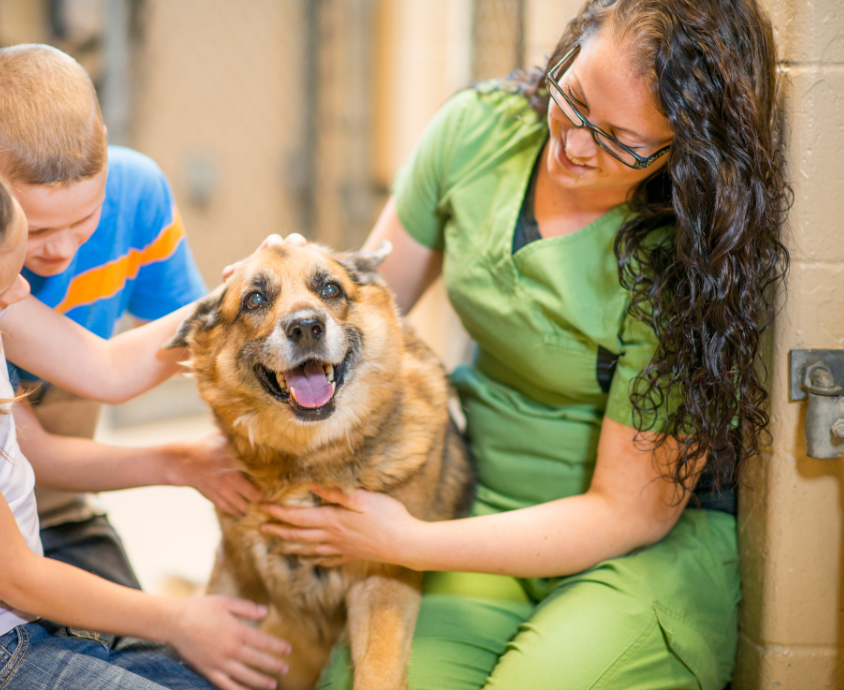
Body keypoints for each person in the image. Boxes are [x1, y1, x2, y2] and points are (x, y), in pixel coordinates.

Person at [260, 0, 789, 688]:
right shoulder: (477, 132)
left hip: (635, 553)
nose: (572, 146)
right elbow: (368, 311)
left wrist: (408, 543)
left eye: (620, 143)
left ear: (684, 151)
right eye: (573, 100)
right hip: (479, 506)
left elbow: (626, 513)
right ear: (566, 51)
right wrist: (300, 282)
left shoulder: (682, 261)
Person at [0, 127, 289, 690]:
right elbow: (19, 575)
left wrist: (238, 294)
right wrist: (180, 618)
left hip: (14, 623)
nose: (19, 296)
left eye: (14, 273)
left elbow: (107, 366)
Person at [0, 43, 259, 590]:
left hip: (60, 511)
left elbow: (194, 350)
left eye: (88, 216)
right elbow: (79, 403)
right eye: (38, 229)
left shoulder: (138, 191)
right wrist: (181, 463)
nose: (64, 248)